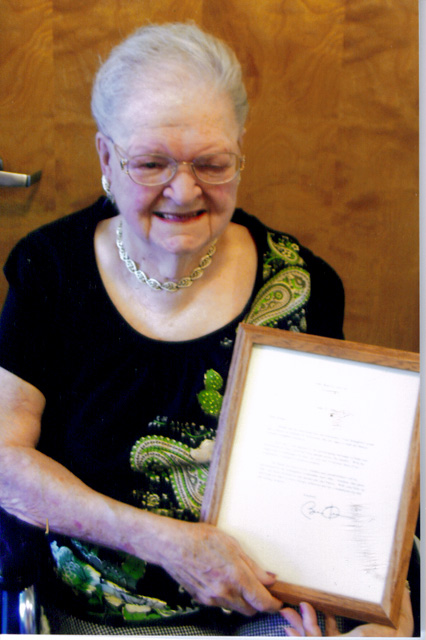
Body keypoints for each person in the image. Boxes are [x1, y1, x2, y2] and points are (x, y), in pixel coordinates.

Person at [0, 22, 415, 636]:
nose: (184, 189)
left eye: (212, 163)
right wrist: (170, 545)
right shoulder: (53, 270)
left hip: (263, 602)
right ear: (107, 158)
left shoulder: (301, 283)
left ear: (240, 153)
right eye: (152, 163)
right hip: (103, 605)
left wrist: (377, 610)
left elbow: (343, 471)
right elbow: (6, 460)